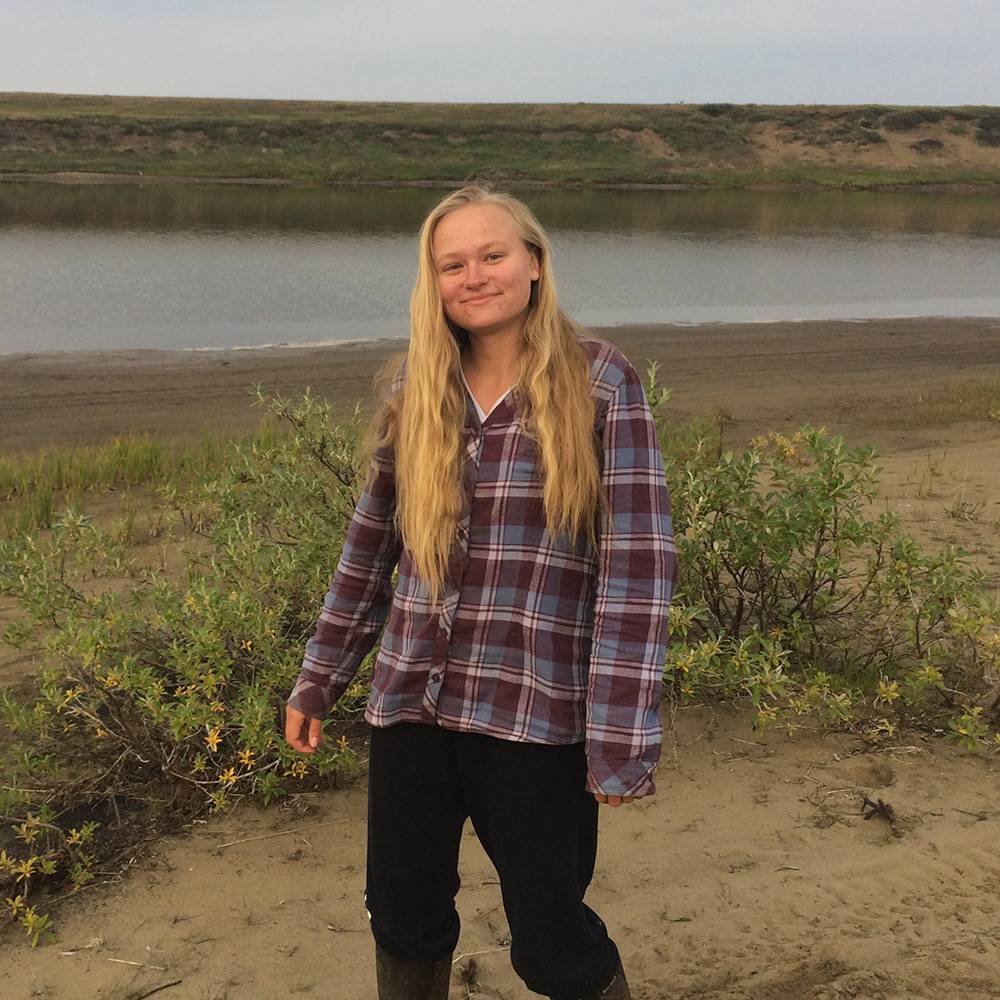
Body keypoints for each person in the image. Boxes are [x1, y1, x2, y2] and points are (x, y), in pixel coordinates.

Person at [284, 186, 677, 1000]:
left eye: (492, 255)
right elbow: (370, 548)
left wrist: (618, 734)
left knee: (551, 932)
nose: (474, 276)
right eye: (451, 264)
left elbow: (637, 568)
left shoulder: (600, 381)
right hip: (412, 704)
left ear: (534, 262)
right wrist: (321, 674)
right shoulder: (413, 388)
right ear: (433, 284)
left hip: (536, 711)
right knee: (402, 909)